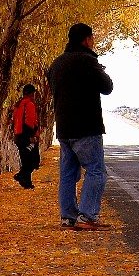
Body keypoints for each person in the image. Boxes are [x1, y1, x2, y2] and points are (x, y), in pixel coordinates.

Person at [47, 22, 114, 230]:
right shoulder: (88, 61)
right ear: (87, 39)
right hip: (87, 127)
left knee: (68, 174)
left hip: (64, 129)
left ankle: (68, 217)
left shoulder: (56, 64)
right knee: (96, 171)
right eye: (92, 39)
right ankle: (87, 216)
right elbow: (107, 87)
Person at [11, 83, 42, 189]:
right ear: (31, 94)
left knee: (26, 159)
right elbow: (30, 121)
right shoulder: (29, 104)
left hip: (18, 136)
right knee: (33, 160)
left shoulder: (18, 104)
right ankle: (21, 175)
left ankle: (27, 183)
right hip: (27, 136)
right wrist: (32, 135)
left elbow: (14, 120)